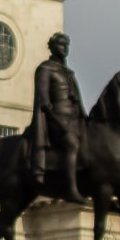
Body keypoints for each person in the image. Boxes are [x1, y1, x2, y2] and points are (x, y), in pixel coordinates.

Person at [30, 32, 88, 204]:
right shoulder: (45, 69)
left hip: (74, 119)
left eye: (66, 45)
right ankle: (70, 189)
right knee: (72, 144)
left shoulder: (67, 72)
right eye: (61, 45)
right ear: (52, 47)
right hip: (55, 120)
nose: (64, 48)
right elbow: (44, 102)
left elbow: (77, 100)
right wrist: (59, 123)